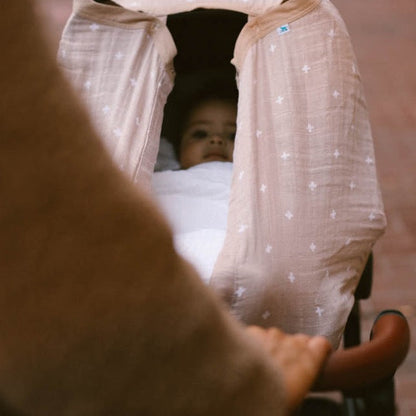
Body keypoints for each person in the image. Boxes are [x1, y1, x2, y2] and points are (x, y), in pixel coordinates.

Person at [0, 2, 331, 416]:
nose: (215, 142)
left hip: (242, 248)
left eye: (231, 134)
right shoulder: (165, 179)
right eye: (200, 133)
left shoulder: (260, 177)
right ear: (177, 146)